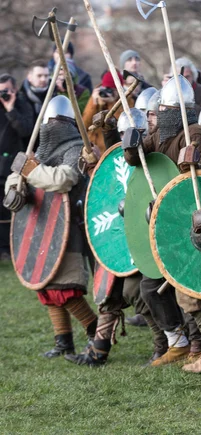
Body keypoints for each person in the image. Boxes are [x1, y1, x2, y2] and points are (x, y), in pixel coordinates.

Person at [64, 109, 168, 367]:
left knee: (136, 293)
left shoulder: (152, 158)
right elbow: (112, 178)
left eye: (129, 133)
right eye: (120, 133)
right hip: (118, 237)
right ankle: (98, 349)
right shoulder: (122, 155)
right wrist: (93, 166)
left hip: (144, 240)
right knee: (107, 293)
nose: (125, 137)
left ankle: (163, 344)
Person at [122, 76, 201, 366]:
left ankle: (199, 345)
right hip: (164, 221)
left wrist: (191, 161)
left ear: (175, 110)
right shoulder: (159, 135)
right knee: (151, 287)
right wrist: (131, 143)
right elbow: (138, 159)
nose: (158, 114)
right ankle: (179, 340)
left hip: (186, 220)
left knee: (186, 288)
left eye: (163, 108)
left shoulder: (193, 133)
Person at [4, 95, 97, 357]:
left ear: (67, 124)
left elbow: (63, 180)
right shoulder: (39, 152)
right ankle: (63, 341)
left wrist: (30, 170)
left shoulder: (78, 149)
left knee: (65, 289)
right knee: (44, 286)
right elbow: (16, 181)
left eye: (56, 122)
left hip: (68, 228)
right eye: (48, 123)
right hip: (41, 226)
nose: (51, 127)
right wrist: (16, 184)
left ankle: (95, 330)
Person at [0, 74, 34, 261]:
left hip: (14, 166)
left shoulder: (22, 105)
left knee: (12, 207)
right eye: (1, 91)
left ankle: (12, 250)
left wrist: (11, 109)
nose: (4, 94)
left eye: (7, 90)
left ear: (14, 89)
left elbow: (26, 130)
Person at [83, 71, 133, 153]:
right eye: (106, 89)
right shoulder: (97, 98)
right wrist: (94, 104)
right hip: (92, 149)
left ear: (119, 90)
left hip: (109, 149)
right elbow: (84, 125)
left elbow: (121, 126)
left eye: (111, 90)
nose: (107, 93)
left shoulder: (127, 101)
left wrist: (112, 104)